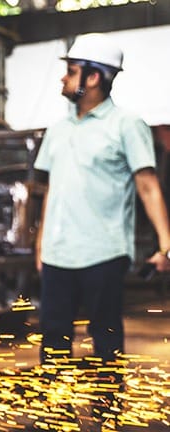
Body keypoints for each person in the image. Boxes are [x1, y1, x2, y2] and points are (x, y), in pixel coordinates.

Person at [35, 33, 170, 368]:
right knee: (53, 343)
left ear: (93, 77)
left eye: (72, 70)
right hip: (57, 254)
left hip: (103, 254)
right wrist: (41, 244)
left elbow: (148, 185)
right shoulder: (57, 130)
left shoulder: (126, 124)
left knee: (105, 344)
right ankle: (55, 419)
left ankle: (106, 414)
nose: (63, 77)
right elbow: (53, 188)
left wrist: (166, 244)